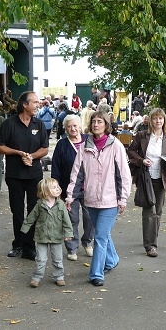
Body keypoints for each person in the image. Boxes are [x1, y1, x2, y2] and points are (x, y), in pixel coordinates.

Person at [65, 111, 132, 287]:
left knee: (100, 237)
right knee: (104, 234)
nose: (96, 124)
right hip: (91, 199)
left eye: (99, 121)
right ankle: (112, 260)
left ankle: (96, 273)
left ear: (106, 124)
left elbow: (124, 174)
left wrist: (123, 197)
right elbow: (76, 173)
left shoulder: (115, 145)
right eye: (93, 121)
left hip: (110, 200)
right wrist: (70, 195)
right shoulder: (84, 146)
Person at [0, 91, 49, 260]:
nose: (38, 105)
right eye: (35, 102)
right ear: (24, 105)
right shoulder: (8, 124)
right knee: (17, 211)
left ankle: (29, 247)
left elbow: (45, 148)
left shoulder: (39, 124)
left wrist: (31, 156)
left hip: (34, 175)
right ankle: (17, 244)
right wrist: (18, 153)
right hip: (15, 175)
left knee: (33, 211)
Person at [127, 108, 166, 258]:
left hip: (160, 178)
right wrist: (142, 161)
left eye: (161, 118)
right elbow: (131, 151)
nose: (158, 121)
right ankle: (150, 245)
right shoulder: (142, 136)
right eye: (155, 118)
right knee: (149, 210)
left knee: (158, 211)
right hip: (146, 177)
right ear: (151, 120)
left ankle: (151, 237)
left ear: (164, 121)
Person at [51, 115, 95, 261]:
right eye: (69, 126)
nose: (73, 129)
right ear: (65, 128)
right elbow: (56, 168)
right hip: (69, 189)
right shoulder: (62, 145)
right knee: (71, 219)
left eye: (75, 126)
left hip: (89, 188)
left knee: (91, 218)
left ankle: (87, 242)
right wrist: (56, 189)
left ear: (80, 126)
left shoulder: (89, 140)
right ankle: (72, 248)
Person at [21, 178, 73, 288]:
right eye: (54, 187)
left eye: (58, 187)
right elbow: (31, 217)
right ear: (45, 191)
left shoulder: (61, 205)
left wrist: (68, 233)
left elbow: (66, 220)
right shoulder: (40, 205)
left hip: (56, 236)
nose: (58, 189)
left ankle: (59, 276)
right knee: (40, 259)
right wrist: (24, 229)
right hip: (41, 236)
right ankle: (36, 277)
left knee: (57, 259)